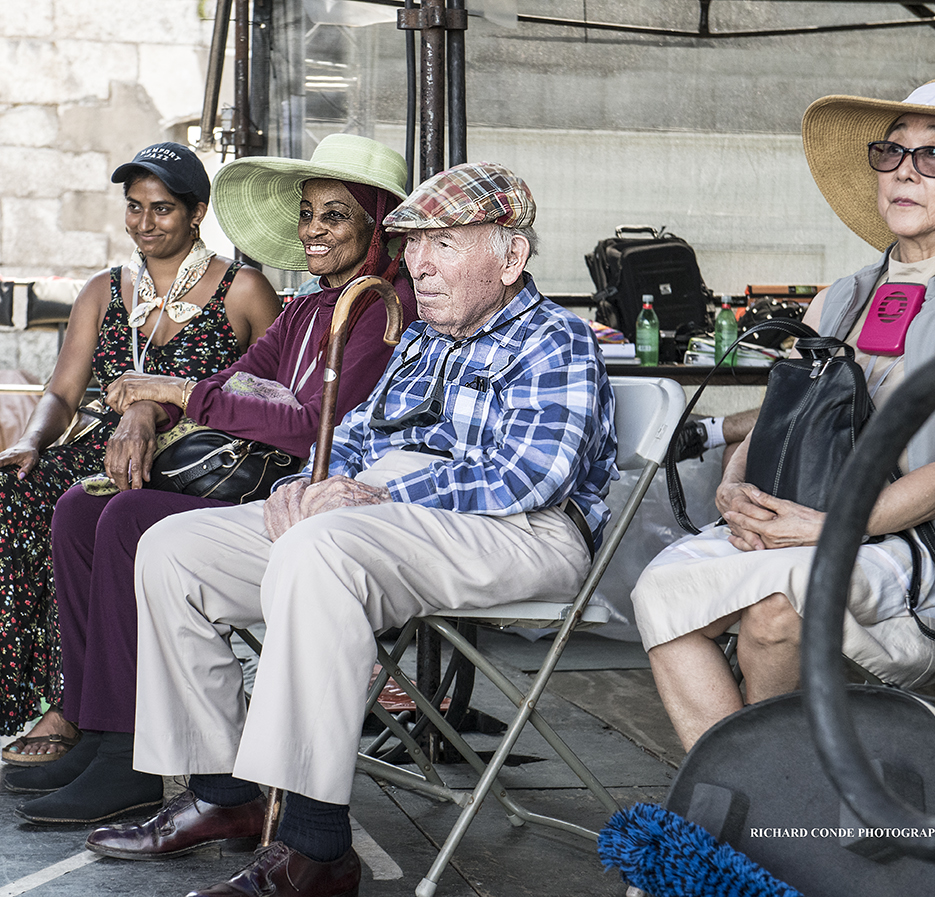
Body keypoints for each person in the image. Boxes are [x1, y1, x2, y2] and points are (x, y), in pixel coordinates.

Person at [80, 162, 616, 897]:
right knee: (176, 550)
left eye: (444, 246)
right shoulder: (426, 338)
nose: (418, 265)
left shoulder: (555, 339)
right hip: (393, 515)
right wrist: (307, 485)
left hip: (521, 528)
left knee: (323, 546)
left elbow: (527, 477)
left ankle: (316, 845)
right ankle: (222, 796)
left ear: (511, 256)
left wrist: (370, 493)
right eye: (415, 245)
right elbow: (355, 436)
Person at [632, 77, 935, 752]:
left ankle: (752, 808)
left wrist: (826, 526)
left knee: (778, 608)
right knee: (665, 589)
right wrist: (737, 488)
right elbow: (778, 419)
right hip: (808, 531)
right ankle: (753, 807)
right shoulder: (840, 299)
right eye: (893, 152)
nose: (906, 171)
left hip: (926, 559)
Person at [6, 134, 418, 824]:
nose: (313, 230)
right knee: (79, 508)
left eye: (336, 215)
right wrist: (144, 406)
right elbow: (223, 380)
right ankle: (101, 726)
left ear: (378, 225)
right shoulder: (313, 306)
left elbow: (311, 431)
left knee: (127, 518)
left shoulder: (379, 308)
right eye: (308, 214)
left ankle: (131, 755)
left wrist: (178, 392)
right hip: (258, 477)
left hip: (311, 496)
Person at [0, 144, 283, 777]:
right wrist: (30, 442)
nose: (145, 223)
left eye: (161, 209)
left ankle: (74, 704)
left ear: (197, 212)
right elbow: (63, 391)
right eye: (133, 208)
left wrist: (161, 410)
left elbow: (271, 393)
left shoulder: (244, 288)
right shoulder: (105, 289)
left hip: (194, 465)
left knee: (94, 510)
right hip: (92, 453)